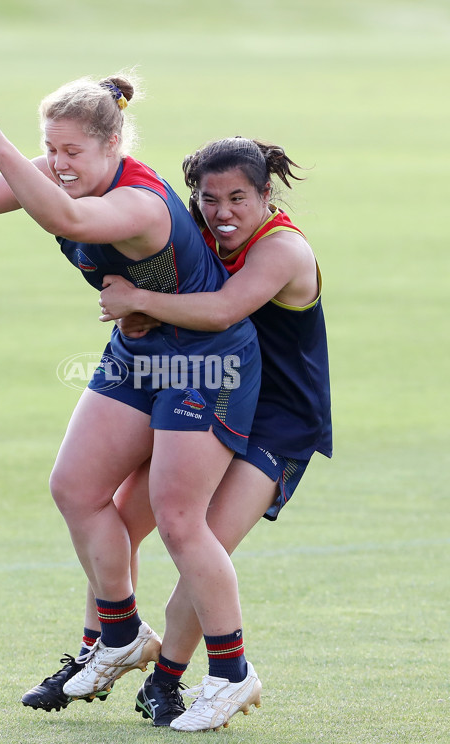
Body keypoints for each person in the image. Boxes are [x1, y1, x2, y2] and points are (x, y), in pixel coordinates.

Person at [0, 76, 263, 725]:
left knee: (179, 519)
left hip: (206, 361)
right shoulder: (61, 175)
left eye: (71, 151)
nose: (59, 163)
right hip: (137, 353)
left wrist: (0, 145)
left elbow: (65, 218)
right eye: (51, 149)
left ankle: (232, 673)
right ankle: (121, 634)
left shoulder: (140, 203)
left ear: (113, 144)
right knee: (75, 488)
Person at [22, 136, 332, 731]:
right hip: (198, 387)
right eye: (209, 199)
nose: (222, 213)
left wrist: (140, 300)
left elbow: (219, 310)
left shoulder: (284, 250)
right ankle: (107, 643)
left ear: (267, 195)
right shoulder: (204, 230)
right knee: (117, 519)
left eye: (239, 198)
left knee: (198, 537)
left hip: (277, 420)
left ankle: (173, 681)